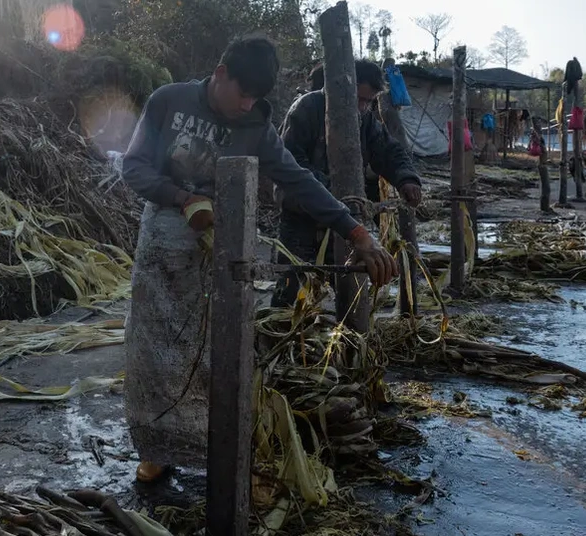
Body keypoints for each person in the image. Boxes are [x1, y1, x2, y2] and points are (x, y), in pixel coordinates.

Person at [120, 36, 396, 483]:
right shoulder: (169, 101)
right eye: (243, 93)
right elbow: (134, 167)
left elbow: (299, 179)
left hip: (226, 245)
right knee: (155, 349)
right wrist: (181, 197)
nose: (247, 105)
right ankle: (157, 449)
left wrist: (357, 233)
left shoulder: (257, 128)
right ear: (221, 73)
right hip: (164, 241)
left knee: (219, 346)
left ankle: (215, 444)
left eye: (256, 98)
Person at [272, 60, 422, 306]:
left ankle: (342, 328)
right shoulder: (307, 108)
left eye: (368, 102)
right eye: (359, 99)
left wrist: (406, 178)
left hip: (343, 216)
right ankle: (281, 325)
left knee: (345, 282)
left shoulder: (365, 119)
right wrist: (328, 191)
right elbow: (291, 162)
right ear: (341, 89)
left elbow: (388, 150)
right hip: (300, 212)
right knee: (293, 281)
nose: (363, 107)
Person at [529, 117, 552, 213]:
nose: (540, 125)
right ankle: (544, 207)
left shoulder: (536, 134)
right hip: (541, 161)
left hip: (542, 160)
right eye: (538, 123)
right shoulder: (536, 134)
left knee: (547, 187)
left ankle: (545, 206)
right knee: (546, 188)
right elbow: (537, 142)